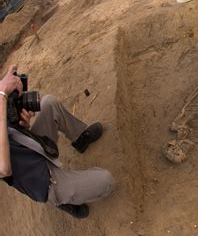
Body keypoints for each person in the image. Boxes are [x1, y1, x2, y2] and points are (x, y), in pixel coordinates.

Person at [0, 66, 115, 219]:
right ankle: (61, 201)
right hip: (39, 178)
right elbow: (4, 169)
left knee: (49, 104)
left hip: (32, 145)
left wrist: (21, 123)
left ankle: (80, 139)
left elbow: (10, 126)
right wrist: (2, 95)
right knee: (106, 181)